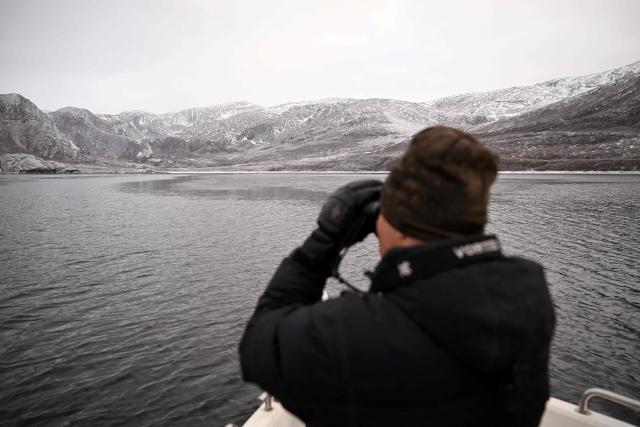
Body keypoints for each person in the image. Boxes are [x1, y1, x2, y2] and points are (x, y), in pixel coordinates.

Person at [239, 126, 556, 427]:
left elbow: (258, 346)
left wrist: (321, 245)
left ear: (389, 219)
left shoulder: (354, 335)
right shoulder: (528, 296)